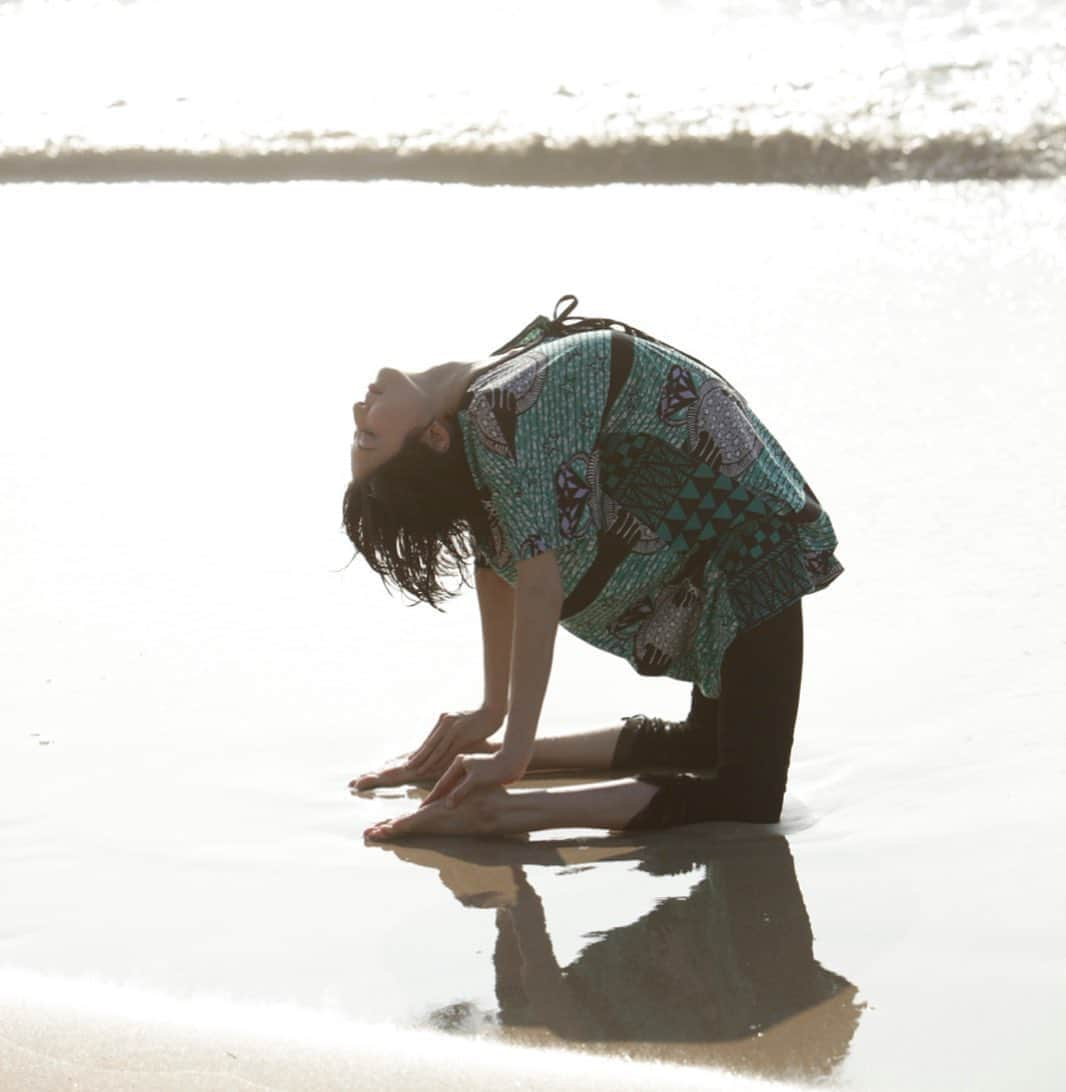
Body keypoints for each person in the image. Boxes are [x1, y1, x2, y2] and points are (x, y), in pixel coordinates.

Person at [344, 295, 843, 841]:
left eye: (362, 435)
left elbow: (526, 572)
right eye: (370, 435)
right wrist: (499, 728)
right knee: (744, 790)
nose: (357, 412)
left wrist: (506, 739)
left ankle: (505, 803)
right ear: (434, 439)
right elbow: (517, 570)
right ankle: (503, 811)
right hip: (747, 545)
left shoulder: (490, 397)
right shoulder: (491, 414)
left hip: (742, 540)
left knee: (729, 771)